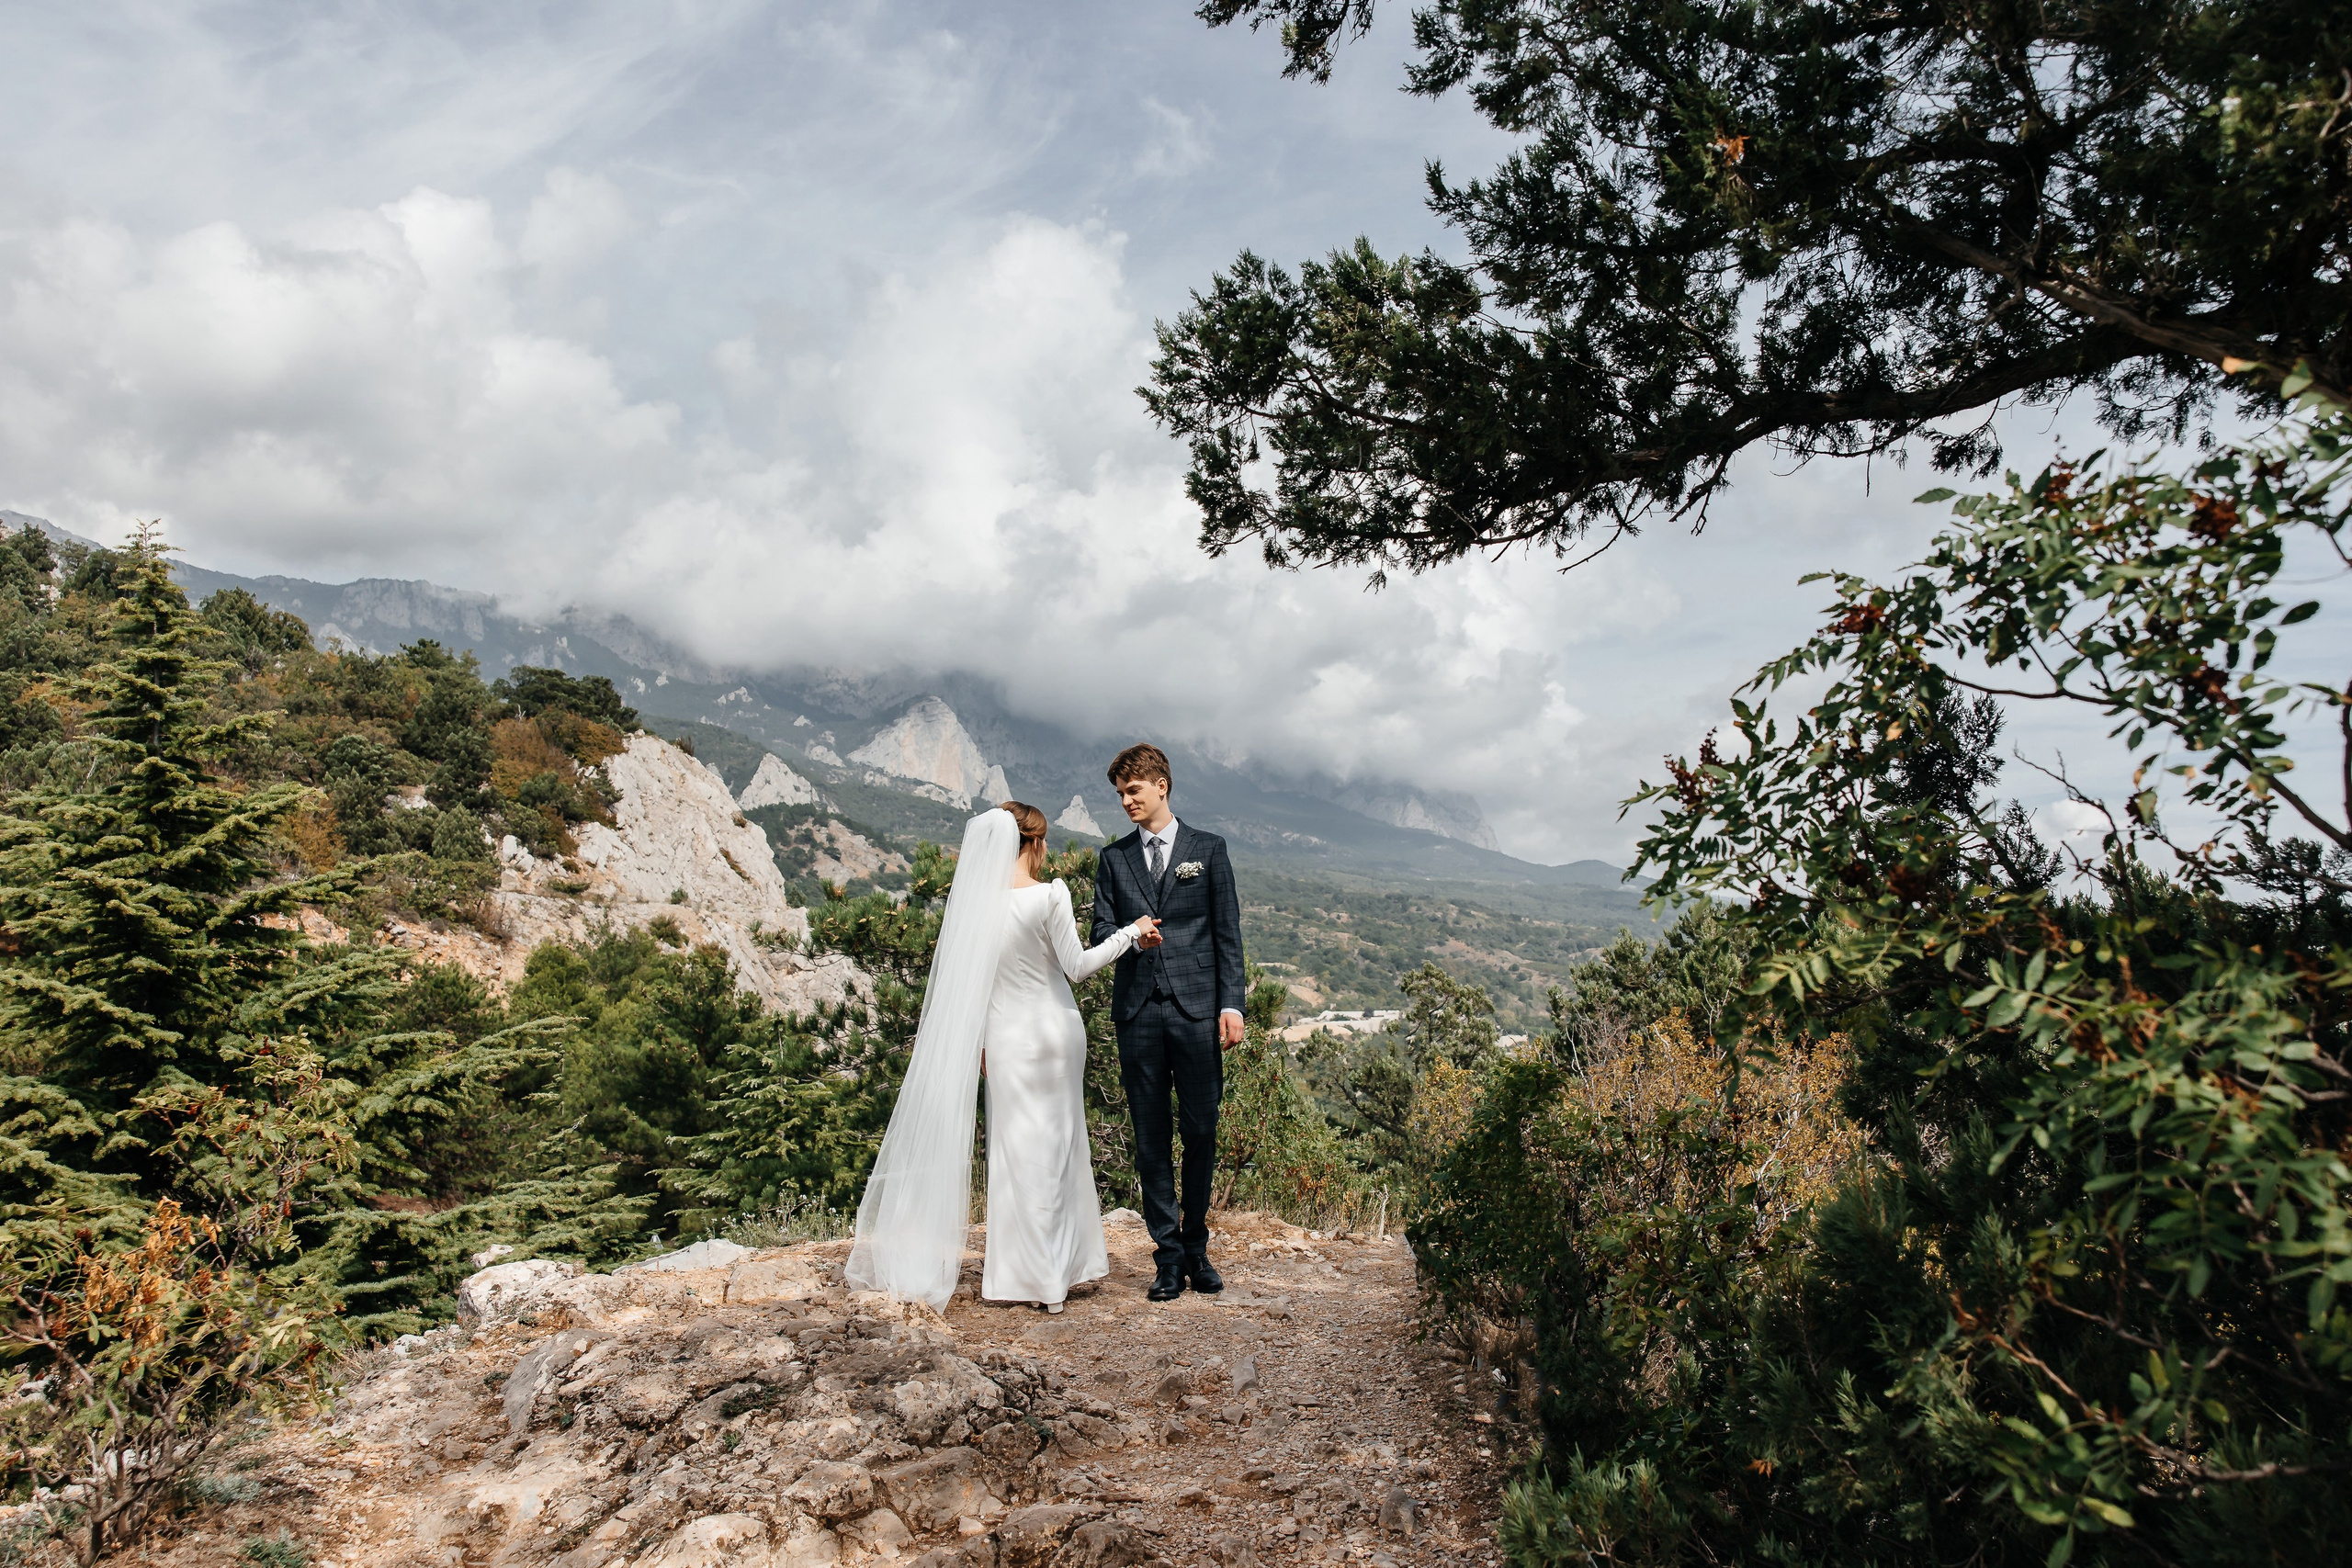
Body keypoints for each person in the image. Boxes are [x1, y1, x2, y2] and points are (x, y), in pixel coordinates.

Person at [846, 803, 1157, 1312]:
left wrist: (984, 1042)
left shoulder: (974, 905)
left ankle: (1021, 1277)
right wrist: (1130, 933)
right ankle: (1057, 1275)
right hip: (1055, 1033)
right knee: (1058, 1150)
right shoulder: (1050, 895)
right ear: (1032, 844)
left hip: (1007, 1039)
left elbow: (975, 986)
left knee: (1015, 1155)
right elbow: (1077, 966)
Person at [1090, 743, 1246, 1303]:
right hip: (1137, 1012)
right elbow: (1100, 932)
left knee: (1201, 1129)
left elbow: (1227, 934)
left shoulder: (1209, 849)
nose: (1126, 801)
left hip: (1198, 1010)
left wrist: (1233, 1006)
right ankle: (1168, 1255)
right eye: (1120, 794)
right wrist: (1131, 934)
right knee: (1150, 1136)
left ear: (1161, 786)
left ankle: (1198, 1245)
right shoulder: (1113, 859)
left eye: (1133, 790)